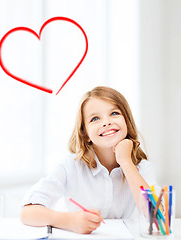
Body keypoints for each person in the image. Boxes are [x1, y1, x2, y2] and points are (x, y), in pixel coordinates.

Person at [21, 86, 157, 234]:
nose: (106, 122)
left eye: (114, 113)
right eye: (95, 118)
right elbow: (28, 213)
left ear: (127, 122)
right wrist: (70, 221)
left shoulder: (142, 168)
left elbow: (157, 218)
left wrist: (126, 162)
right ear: (85, 134)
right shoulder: (70, 165)